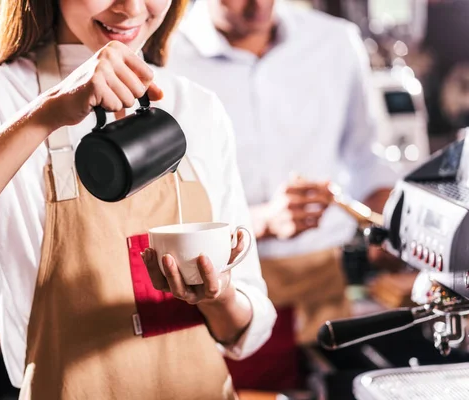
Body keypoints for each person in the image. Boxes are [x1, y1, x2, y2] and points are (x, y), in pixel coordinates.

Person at [0, 0, 277, 398]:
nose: (132, 8)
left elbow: (246, 329)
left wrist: (218, 295)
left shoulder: (197, 107)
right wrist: (46, 113)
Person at [167, 0, 397, 392]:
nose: (259, 6)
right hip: (221, 289)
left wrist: (391, 224)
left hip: (323, 284)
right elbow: (158, 202)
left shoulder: (335, 41)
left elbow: (366, 161)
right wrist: (260, 221)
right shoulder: (167, 53)